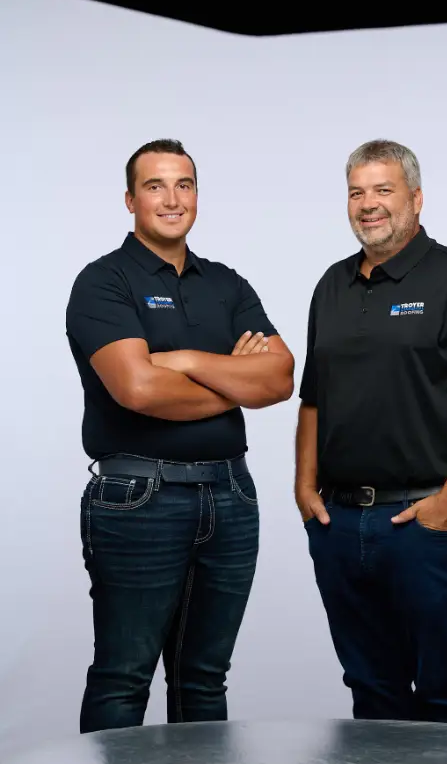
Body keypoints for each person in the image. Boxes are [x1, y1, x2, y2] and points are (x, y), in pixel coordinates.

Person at [66, 138, 294, 733]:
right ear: (130, 199)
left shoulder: (226, 283)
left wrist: (184, 358)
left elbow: (279, 378)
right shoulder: (103, 282)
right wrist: (231, 381)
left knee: (203, 679)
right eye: (155, 185)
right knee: (124, 676)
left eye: (184, 184)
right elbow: (137, 390)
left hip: (231, 497)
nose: (172, 198)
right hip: (139, 498)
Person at [295, 139, 447, 725]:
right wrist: (304, 488)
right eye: (356, 192)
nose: (368, 204)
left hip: (427, 525)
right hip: (342, 525)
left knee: (444, 694)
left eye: (382, 190)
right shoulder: (331, 286)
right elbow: (314, 398)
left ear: (416, 199)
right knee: (372, 695)